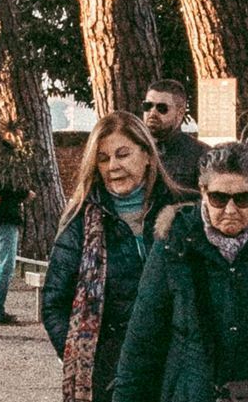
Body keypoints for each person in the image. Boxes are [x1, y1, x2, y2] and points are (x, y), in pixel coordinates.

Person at [112, 141, 248, 402]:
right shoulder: (175, 242)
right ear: (203, 191)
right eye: (219, 198)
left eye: (243, 198)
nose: (230, 209)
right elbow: (142, 340)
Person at [41, 113, 188, 397]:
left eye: (123, 154)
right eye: (104, 158)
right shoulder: (80, 223)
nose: (114, 166)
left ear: (147, 154)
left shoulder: (184, 212)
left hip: (177, 366)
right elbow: (54, 304)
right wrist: (89, 363)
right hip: (113, 375)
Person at [139, 78, 205, 193]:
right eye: (148, 106)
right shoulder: (131, 149)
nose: (153, 113)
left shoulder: (201, 154)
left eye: (162, 108)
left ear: (180, 113)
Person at [0, 180, 28, 328]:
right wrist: (24, 194)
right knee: (6, 266)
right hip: (6, 218)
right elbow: (8, 190)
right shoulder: (9, 171)